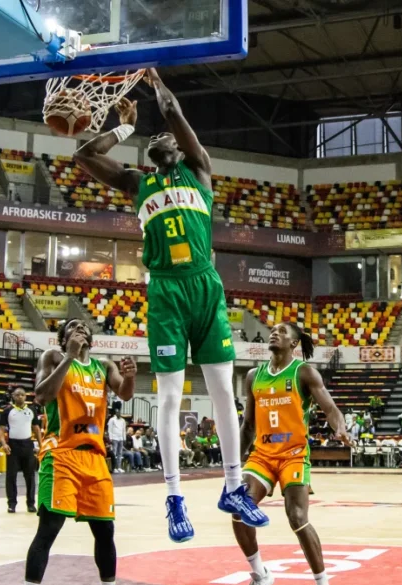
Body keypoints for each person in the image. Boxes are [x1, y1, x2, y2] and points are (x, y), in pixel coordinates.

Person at [73, 68, 267, 543]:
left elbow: (174, 112)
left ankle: (233, 486)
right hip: (165, 290)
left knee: (224, 391)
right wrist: (122, 125)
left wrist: (155, 83)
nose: (162, 137)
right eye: (153, 137)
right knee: (171, 395)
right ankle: (175, 498)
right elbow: (83, 154)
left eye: (168, 137)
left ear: (178, 151)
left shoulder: (199, 169)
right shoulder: (136, 181)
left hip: (204, 285)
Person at [16, 319, 137, 585]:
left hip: (95, 458)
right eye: (72, 327)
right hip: (62, 454)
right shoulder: (53, 358)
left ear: (91, 339)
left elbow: (125, 394)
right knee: (49, 529)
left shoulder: (103, 366)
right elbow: (41, 395)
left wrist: (131, 377)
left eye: (84, 327)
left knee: (105, 530)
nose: (80, 329)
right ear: (63, 338)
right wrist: (68, 357)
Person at [236, 322, 351, 585]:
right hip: (262, 454)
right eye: (273, 329)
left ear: (294, 343)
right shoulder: (253, 377)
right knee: (239, 510)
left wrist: (340, 427)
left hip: (294, 455)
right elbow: (248, 426)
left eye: (284, 331)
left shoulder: (304, 373)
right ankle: (260, 574)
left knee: (297, 517)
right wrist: (232, 466)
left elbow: (330, 407)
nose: (275, 333)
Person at [0, 387, 41, 514]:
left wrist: (41, 444)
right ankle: (12, 504)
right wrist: (4, 444)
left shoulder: (32, 410)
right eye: (17, 395)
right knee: (11, 476)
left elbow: (36, 429)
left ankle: (31, 504)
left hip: (27, 445)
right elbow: (1, 430)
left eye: (22, 395)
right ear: (13, 396)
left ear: (26, 397)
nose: (20, 397)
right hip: (13, 446)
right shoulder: (7, 411)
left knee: (30, 476)